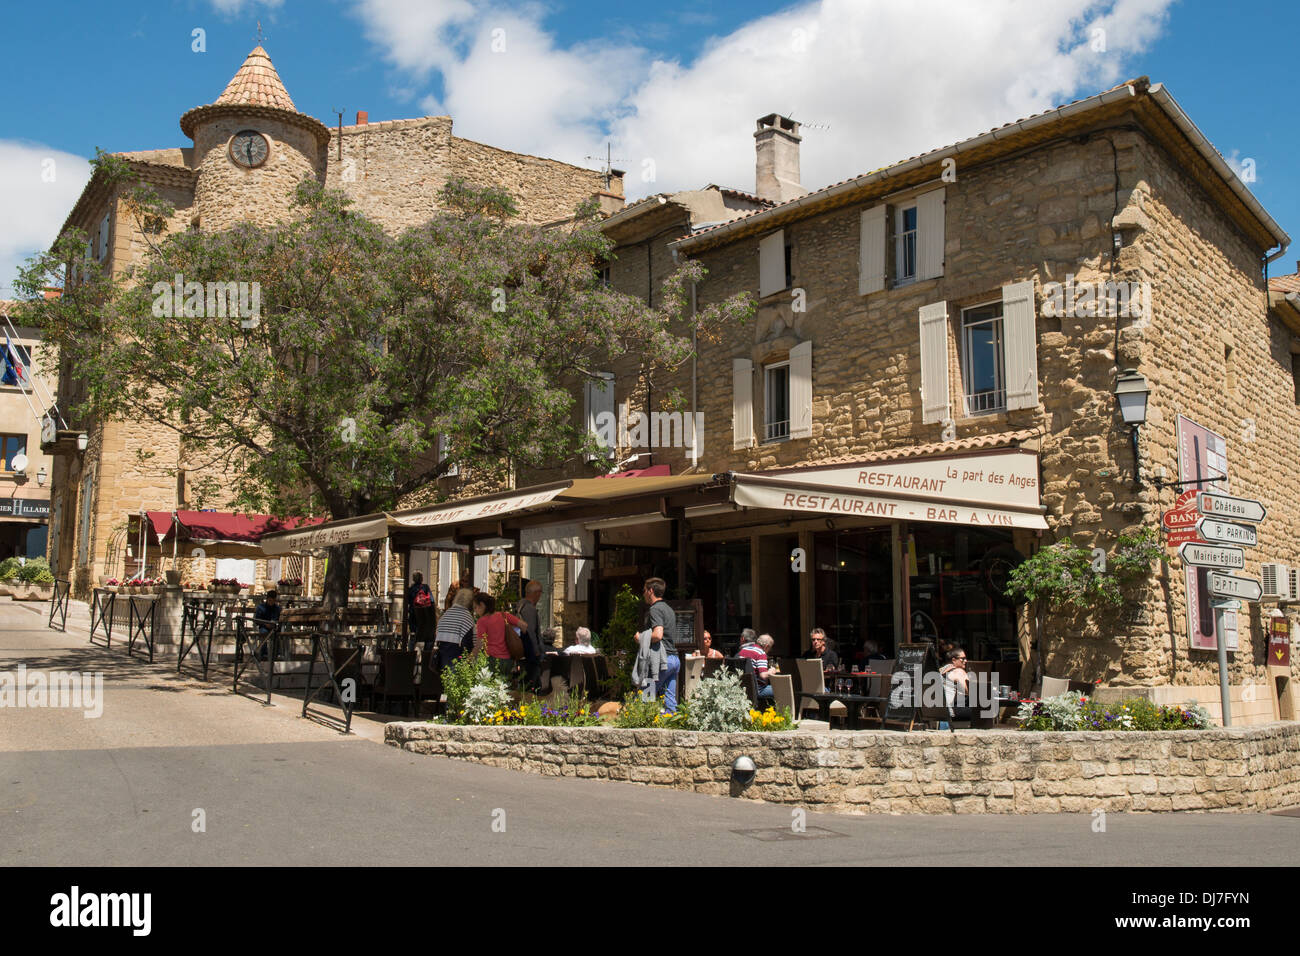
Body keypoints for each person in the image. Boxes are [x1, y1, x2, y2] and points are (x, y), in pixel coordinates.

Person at [641, 576, 680, 712]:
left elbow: (658, 634)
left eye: (644, 590)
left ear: (650, 591)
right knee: (670, 700)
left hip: (661, 661)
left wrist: (641, 638)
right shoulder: (669, 609)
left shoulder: (655, 609)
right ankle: (672, 724)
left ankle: (642, 726)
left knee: (646, 695)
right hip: (674, 659)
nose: (643, 594)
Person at [473, 593, 527, 664]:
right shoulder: (504, 615)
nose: (475, 611)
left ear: (482, 605)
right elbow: (524, 626)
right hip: (508, 660)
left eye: (475, 607)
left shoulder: (482, 621)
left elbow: (480, 644)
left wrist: (470, 659)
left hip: (492, 660)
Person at [514, 579, 545, 693]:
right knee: (532, 684)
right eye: (540, 593)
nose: (540, 596)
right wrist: (536, 650)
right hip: (530, 654)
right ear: (536, 593)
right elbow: (530, 631)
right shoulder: (529, 609)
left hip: (523, 652)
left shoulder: (520, 606)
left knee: (527, 682)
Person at [435, 588, 476, 670]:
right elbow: (468, 641)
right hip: (457, 654)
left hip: (443, 654)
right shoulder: (466, 616)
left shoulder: (446, 614)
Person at [938, 646, 971, 729]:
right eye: (962, 659)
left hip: (938, 711)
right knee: (982, 710)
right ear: (953, 660)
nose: (965, 661)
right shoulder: (958, 671)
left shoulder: (941, 670)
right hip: (950, 711)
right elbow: (970, 691)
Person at [406, 572, 436, 658]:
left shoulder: (411, 589)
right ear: (421, 578)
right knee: (428, 637)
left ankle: (411, 655)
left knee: (413, 635)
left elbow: (407, 602)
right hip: (424, 615)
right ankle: (426, 656)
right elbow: (432, 600)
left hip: (413, 615)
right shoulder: (425, 587)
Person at [739, 632, 775, 701]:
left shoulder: (744, 650)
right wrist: (771, 671)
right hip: (757, 689)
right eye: (770, 648)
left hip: (742, 688)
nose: (769, 650)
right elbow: (763, 675)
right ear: (767, 646)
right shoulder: (761, 653)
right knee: (783, 690)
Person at [253, 589, 280, 660]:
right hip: (263, 627)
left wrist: (273, 623)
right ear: (267, 599)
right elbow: (257, 620)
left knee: (277, 635)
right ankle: (264, 654)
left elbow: (278, 619)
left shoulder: (277, 608)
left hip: (273, 627)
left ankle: (276, 654)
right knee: (264, 633)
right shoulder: (261, 607)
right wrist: (265, 624)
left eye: (273, 601)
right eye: (270, 601)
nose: (271, 603)